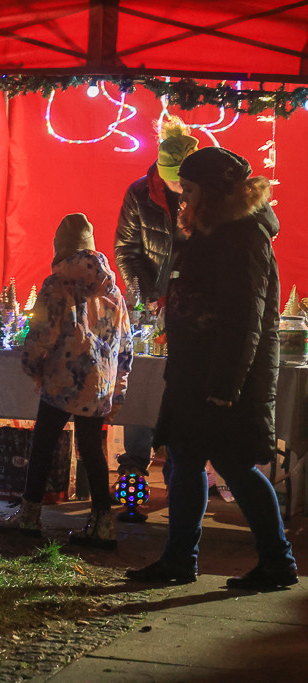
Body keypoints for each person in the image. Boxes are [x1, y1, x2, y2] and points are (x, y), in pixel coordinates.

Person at [126, 147, 298, 589]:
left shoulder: (242, 236)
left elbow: (246, 318)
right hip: (194, 372)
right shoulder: (214, 230)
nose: (183, 199)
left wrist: (224, 385)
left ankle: (277, 561)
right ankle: (180, 559)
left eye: (189, 190)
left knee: (235, 465)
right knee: (183, 461)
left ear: (214, 192)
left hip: (221, 379)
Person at [0, 214, 133, 549]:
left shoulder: (57, 286)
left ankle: (28, 517)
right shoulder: (114, 293)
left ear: (60, 249)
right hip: (98, 385)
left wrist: (31, 366)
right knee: (91, 451)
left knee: (42, 445)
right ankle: (102, 524)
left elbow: (42, 334)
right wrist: (118, 390)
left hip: (62, 380)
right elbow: (125, 347)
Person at [113, 119, 198, 494]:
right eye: (171, 180)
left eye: (183, 181)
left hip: (194, 309)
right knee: (143, 380)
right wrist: (144, 295)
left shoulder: (209, 197)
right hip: (151, 306)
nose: (178, 188)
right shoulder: (139, 194)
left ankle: (182, 467)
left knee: (186, 385)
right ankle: (135, 464)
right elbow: (126, 251)